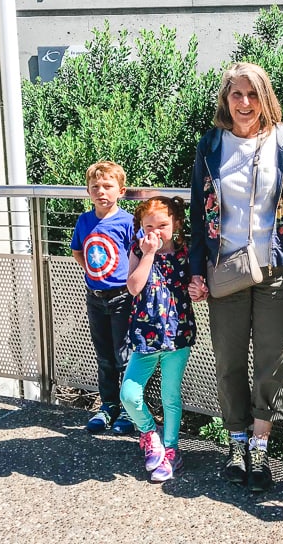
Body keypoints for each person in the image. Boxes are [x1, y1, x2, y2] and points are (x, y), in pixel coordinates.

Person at [188, 61, 283, 492]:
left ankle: (260, 451)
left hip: (276, 270)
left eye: (252, 94)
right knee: (227, 360)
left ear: (265, 98)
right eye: (236, 95)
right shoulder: (210, 145)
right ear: (226, 100)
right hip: (224, 269)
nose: (245, 103)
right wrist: (196, 271)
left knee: (271, 363)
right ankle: (236, 443)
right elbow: (195, 215)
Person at [120, 195, 196, 482]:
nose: (155, 231)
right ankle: (150, 434)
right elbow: (133, 287)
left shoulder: (185, 252)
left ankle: (172, 449)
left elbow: (194, 286)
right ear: (140, 226)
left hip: (178, 335)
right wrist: (149, 254)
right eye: (148, 225)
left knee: (170, 397)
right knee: (129, 394)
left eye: (162, 225)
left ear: (175, 224)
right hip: (145, 336)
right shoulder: (139, 251)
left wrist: (199, 289)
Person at [71, 160, 136, 434]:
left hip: (122, 298)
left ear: (121, 191)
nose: (101, 192)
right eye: (95, 187)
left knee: (125, 356)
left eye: (108, 186)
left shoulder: (128, 222)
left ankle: (131, 411)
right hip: (95, 297)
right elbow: (77, 251)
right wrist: (93, 274)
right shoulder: (84, 221)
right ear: (88, 191)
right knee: (105, 357)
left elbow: (138, 255)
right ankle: (108, 406)